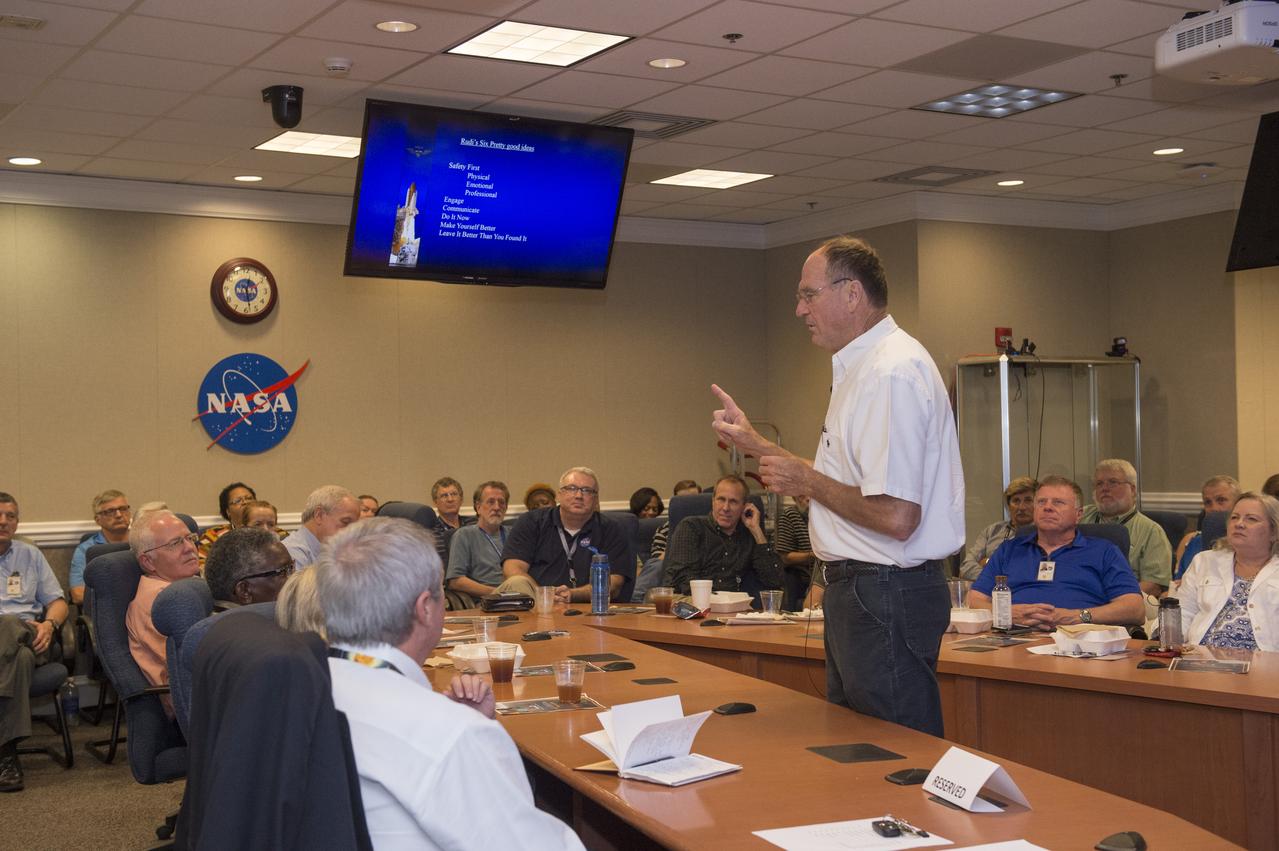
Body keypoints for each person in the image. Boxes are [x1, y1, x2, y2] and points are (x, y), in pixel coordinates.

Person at [711, 235, 963, 736]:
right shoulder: (863, 368)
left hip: (884, 589)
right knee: (858, 748)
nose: (799, 310)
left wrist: (805, 478)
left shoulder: (890, 372)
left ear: (852, 294)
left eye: (809, 294)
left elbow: (896, 515)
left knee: (893, 752)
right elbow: (848, 484)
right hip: (863, 589)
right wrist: (758, 445)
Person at [316, 518, 585, 849]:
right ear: (425, 609)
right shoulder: (453, 735)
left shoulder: (301, 694)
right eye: (441, 593)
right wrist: (471, 732)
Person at [967, 477, 1144, 631]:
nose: (1047, 508)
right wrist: (1006, 612)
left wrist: (1076, 617)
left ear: (1078, 514)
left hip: (1078, 640)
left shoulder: (1104, 551)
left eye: (1058, 502)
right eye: (1041, 502)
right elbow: (974, 600)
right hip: (1013, 637)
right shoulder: (1010, 549)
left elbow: (1134, 609)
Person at [0, 492, 69, 793]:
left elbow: (58, 602)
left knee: (11, 624)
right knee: (21, 658)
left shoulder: (30, 555)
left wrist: (50, 625)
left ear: (17, 522)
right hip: (21, 652)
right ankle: (6, 754)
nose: (3, 521)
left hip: (33, 636)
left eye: (10, 516)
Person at [501, 467, 631, 603]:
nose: (579, 496)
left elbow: (614, 584)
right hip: (536, 605)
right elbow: (512, 569)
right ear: (559, 495)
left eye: (587, 490)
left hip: (590, 607)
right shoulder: (531, 522)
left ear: (596, 499)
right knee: (516, 582)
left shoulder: (612, 529)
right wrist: (544, 596)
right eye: (571, 488)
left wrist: (572, 595)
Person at [1175, 491, 1279, 651]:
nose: (1239, 524)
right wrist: (1171, 645)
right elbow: (1182, 612)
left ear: (1274, 532)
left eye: (1251, 519)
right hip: (1200, 656)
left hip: (1264, 661)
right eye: (1234, 517)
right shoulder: (1204, 561)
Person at [662, 475, 783, 597]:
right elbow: (683, 580)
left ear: (744, 506)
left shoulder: (748, 534)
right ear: (713, 501)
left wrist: (756, 530)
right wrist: (717, 600)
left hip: (733, 605)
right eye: (721, 499)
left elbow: (774, 580)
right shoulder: (691, 527)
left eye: (733, 502)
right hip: (692, 602)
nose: (726, 508)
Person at [127, 509, 202, 702]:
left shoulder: (187, 586)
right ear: (148, 561)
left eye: (190, 538)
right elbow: (188, 668)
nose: (190, 548)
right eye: (175, 543)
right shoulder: (160, 603)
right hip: (192, 703)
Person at [1081, 459, 1172, 596]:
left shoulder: (1151, 531)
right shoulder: (1080, 516)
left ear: (1133, 490)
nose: (1104, 488)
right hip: (1078, 594)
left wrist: (1113, 599)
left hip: (1123, 598)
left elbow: (1154, 585)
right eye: (1099, 484)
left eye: (1113, 482)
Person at [958, 477, 1038, 581]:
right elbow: (966, 566)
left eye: (1028, 500)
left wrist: (987, 564)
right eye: (1016, 501)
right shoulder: (992, 531)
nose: (1021, 507)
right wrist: (997, 581)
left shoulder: (1045, 534)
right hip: (990, 589)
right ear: (1008, 506)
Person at [446, 481, 511, 601]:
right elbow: (456, 581)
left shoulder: (513, 534)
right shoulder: (464, 535)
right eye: (491, 502)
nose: (497, 507)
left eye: (501, 502)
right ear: (478, 507)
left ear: (506, 508)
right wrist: (497, 594)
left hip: (518, 596)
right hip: (486, 601)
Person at [204, 527, 294, 609]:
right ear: (245, 591)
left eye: (292, 567)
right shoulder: (248, 622)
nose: (294, 577)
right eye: (283, 572)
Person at [69, 489, 132, 605]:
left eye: (123, 509)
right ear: (98, 520)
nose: (119, 515)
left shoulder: (142, 541)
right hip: (107, 609)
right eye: (110, 511)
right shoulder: (86, 550)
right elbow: (77, 594)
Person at [1174, 475, 1240, 583]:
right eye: (1208, 503)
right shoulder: (1193, 543)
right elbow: (1178, 583)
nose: (1214, 508)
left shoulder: (1245, 544)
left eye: (1221, 500)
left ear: (1238, 503)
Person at [284, 485, 361, 569]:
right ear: (319, 515)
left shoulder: (334, 550)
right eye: (345, 522)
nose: (352, 532)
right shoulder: (292, 553)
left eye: (355, 526)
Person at [197, 482, 256, 566]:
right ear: (228, 511)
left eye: (249, 498)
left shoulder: (271, 531)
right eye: (237, 501)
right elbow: (201, 565)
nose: (245, 502)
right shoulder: (213, 535)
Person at [775, 494, 815, 611]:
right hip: (802, 579)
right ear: (794, 499)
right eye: (801, 496)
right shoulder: (790, 516)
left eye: (810, 494)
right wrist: (815, 555)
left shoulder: (821, 517)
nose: (808, 498)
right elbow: (785, 557)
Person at [650, 480, 704, 562]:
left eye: (693, 500)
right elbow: (656, 563)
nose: (688, 505)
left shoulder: (712, 526)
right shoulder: (664, 531)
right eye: (683, 501)